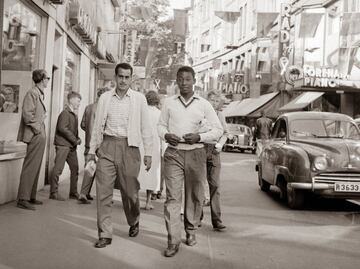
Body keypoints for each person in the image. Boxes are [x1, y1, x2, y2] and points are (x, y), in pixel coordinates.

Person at [158, 66, 223, 257]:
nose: (184, 83)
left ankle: (191, 230)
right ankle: (173, 240)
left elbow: (218, 130)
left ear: (194, 81)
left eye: (188, 79)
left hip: (196, 153)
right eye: (180, 79)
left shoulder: (203, 104)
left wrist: (200, 137)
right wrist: (166, 135)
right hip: (174, 154)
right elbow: (160, 126)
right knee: (172, 197)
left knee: (195, 195)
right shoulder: (169, 103)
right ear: (176, 81)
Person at [89, 62, 153, 248]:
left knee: (130, 191)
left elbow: (146, 127)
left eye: (127, 77)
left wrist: (148, 152)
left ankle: (134, 220)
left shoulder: (139, 99)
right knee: (103, 192)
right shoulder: (105, 98)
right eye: (120, 76)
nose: (123, 80)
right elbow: (97, 127)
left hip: (130, 148)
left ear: (131, 78)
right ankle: (105, 234)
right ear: (115, 78)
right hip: (107, 146)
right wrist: (91, 151)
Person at [16, 69, 50, 210]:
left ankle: (30, 196)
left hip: (38, 134)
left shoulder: (39, 94)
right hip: (35, 134)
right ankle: (23, 198)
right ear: (42, 79)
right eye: (47, 77)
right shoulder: (32, 93)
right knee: (30, 166)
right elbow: (27, 115)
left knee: (36, 166)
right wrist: (37, 129)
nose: (48, 79)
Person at [78, 87, 109, 204]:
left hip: (88, 143)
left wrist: (89, 133)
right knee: (101, 171)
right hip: (100, 144)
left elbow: (83, 125)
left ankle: (85, 193)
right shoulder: (103, 108)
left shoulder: (88, 107)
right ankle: (84, 193)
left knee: (89, 167)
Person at [49, 92, 82, 201]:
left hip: (71, 146)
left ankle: (73, 192)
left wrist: (77, 138)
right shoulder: (65, 113)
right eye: (78, 101)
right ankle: (53, 193)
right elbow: (62, 128)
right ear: (71, 100)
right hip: (63, 145)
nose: (79, 104)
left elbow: (72, 130)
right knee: (58, 169)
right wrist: (74, 139)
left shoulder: (73, 114)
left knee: (75, 168)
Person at [203, 90, 228, 231]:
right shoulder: (201, 113)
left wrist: (220, 144)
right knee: (198, 184)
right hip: (200, 148)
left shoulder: (220, 115)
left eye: (216, 101)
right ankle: (196, 217)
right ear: (207, 100)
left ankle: (216, 220)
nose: (214, 103)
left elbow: (225, 133)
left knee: (215, 186)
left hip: (214, 150)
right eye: (212, 100)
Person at [138, 90, 162, 210]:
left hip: (141, 143)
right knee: (151, 172)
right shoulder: (159, 114)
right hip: (154, 145)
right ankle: (148, 201)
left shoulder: (142, 112)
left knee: (138, 172)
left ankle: (135, 200)